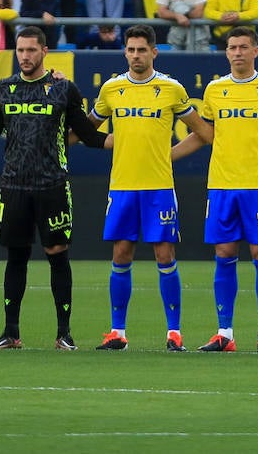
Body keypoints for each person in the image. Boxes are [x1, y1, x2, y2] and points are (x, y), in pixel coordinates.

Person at [0, 26, 107, 350]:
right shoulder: (3, 89)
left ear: (45, 52)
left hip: (53, 186)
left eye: (31, 50)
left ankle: (64, 333)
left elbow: (88, 136)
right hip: (13, 186)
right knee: (16, 256)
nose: (25, 56)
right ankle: (10, 333)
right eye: (20, 50)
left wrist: (131, 141)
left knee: (57, 255)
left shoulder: (64, 89)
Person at [169, 27, 258, 353]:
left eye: (243, 47)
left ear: (256, 51)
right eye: (232, 47)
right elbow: (204, 134)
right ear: (226, 52)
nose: (237, 52)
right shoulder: (215, 90)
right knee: (224, 255)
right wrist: (166, 156)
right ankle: (225, 333)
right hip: (221, 186)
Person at [89, 24, 206, 351]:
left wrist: (169, 155)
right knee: (121, 253)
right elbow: (87, 129)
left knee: (164, 254)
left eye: (142, 49)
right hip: (123, 187)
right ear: (124, 51)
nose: (136, 55)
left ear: (154, 52)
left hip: (158, 188)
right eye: (131, 49)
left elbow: (203, 133)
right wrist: (112, 142)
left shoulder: (171, 88)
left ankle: (174, 333)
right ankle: (118, 333)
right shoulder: (112, 89)